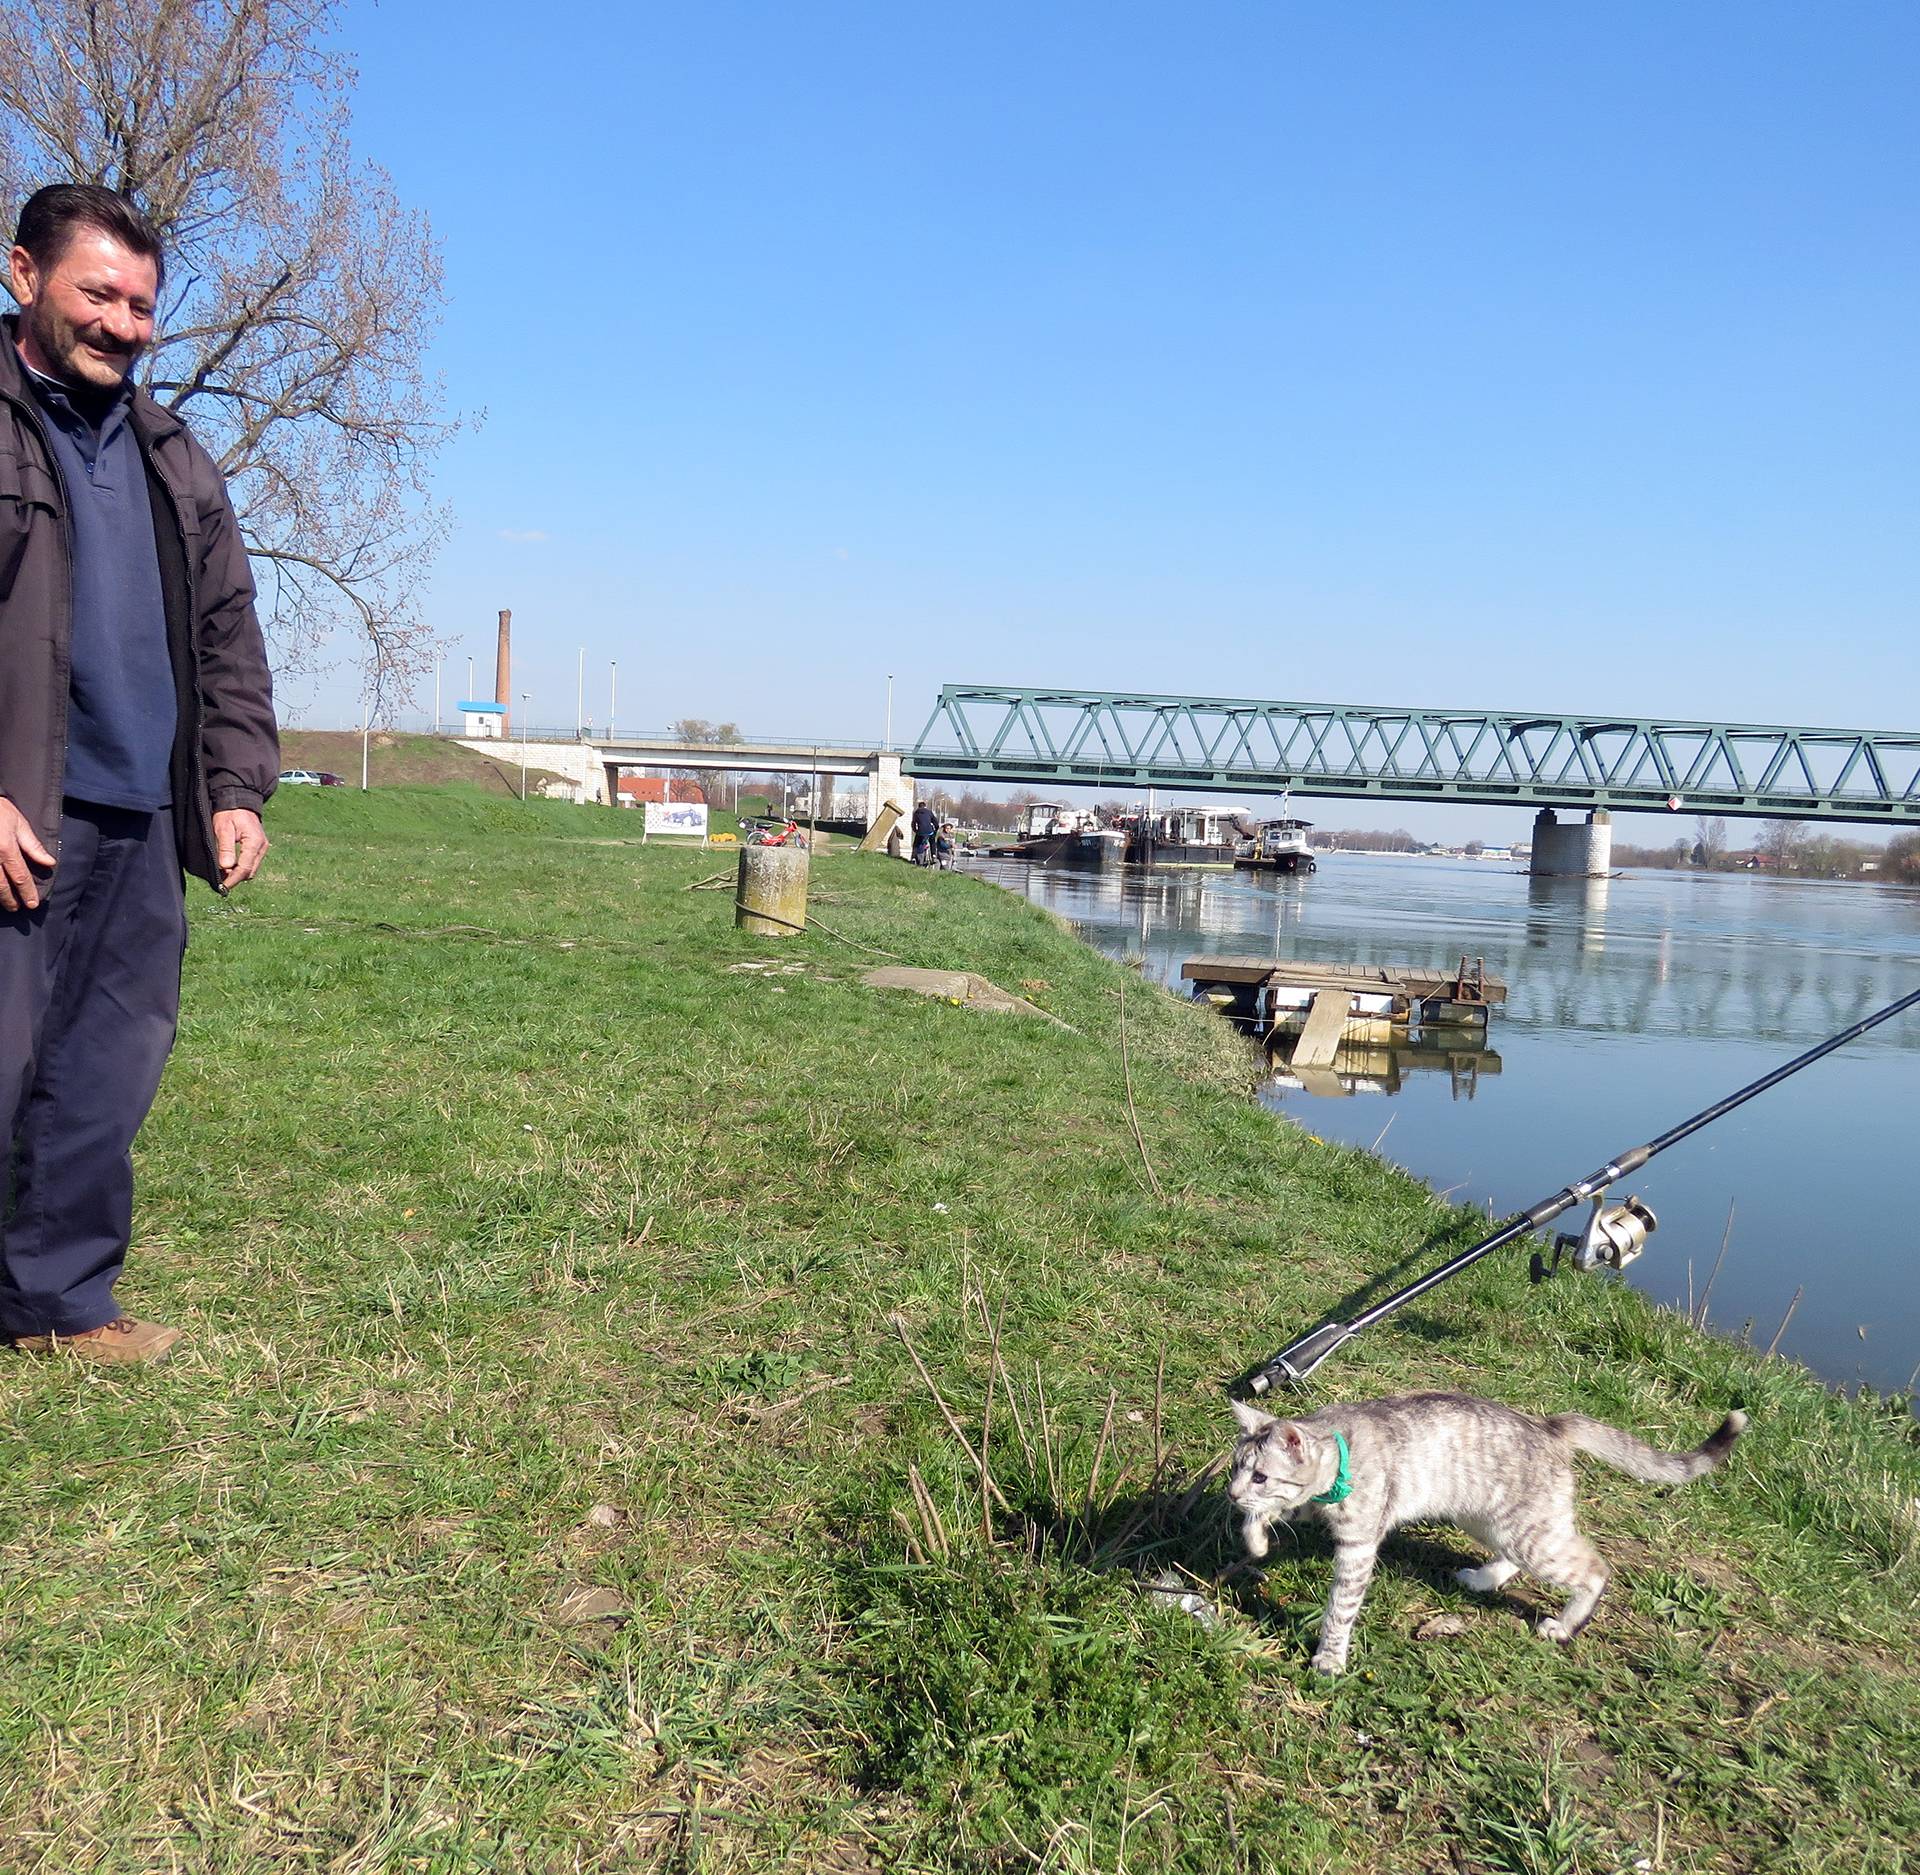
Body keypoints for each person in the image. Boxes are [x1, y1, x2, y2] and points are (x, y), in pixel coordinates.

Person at [1, 184, 279, 1364]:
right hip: (22, 804)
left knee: (102, 1075)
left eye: (143, 304)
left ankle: (57, 1303)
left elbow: (226, 629)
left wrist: (232, 786)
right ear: (23, 277)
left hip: (140, 815)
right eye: (97, 293)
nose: (124, 322)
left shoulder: (173, 454)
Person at [909, 799, 938, 866]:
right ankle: (933, 856)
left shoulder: (916, 813)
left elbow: (913, 824)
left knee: (916, 844)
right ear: (925, 806)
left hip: (920, 832)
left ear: (919, 807)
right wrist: (936, 830)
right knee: (932, 842)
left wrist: (915, 831)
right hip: (929, 832)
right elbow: (935, 822)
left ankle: (913, 858)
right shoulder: (929, 812)